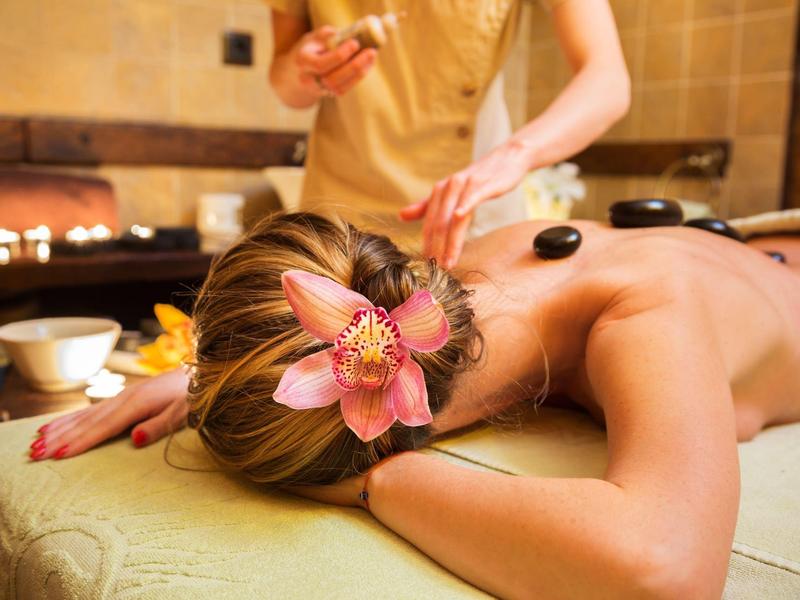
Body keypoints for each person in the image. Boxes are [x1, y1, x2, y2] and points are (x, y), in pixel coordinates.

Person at [33, 212, 800, 598]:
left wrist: (374, 486)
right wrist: (218, 379)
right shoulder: (475, 272)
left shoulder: (648, 311)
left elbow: (665, 571)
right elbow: (343, 332)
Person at [267, 0, 630, 267]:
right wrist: (305, 70)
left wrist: (517, 153)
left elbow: (608, 81)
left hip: (474, 224)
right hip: (342, 224)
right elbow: (284, 80)